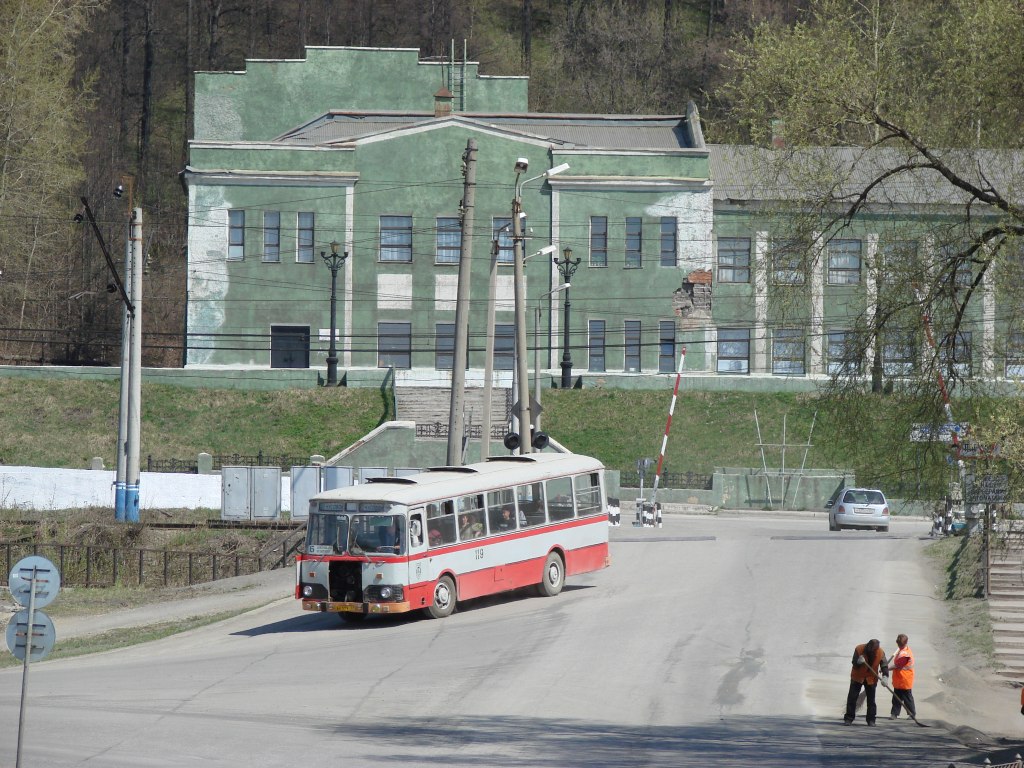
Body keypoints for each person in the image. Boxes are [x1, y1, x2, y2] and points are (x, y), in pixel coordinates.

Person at [844, 638, 888, 726]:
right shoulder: (859, 649)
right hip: (857, 677)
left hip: (871, 679)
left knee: (871, 700)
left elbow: (884, 665)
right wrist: (858, 662)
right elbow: (854, 663)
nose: (872, 651)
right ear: (868, 646)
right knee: (852, 698)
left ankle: (871, 720)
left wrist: (885, 676)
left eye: (874, 650)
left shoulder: (880, 652)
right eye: (871, 649)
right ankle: (849, 718)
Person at [889, 634, 916, 720]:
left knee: (907, 698)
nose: (898, 645)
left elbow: (897, 665)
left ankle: (912, 714)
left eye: (899, 644)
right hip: (899, 678)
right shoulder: (901, 650)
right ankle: (894, 713)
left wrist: (885, 668)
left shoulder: (905, 654)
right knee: (896, 697)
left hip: (905, 679)